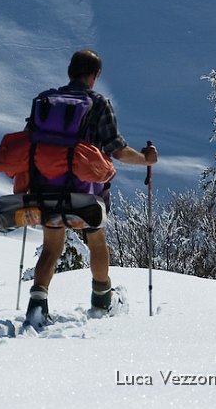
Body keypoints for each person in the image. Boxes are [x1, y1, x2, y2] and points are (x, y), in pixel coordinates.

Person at [25, 49, 158, 324]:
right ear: (95, 75)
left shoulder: (45, 101)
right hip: (84, 195)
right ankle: (101, 302)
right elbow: (118, 150)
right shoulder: (98, 104)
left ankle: (37, 307)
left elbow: (30, 142)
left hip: (45, 189)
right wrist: (146, 159)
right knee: (96, 242)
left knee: (51, 248)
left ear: (69, 72)